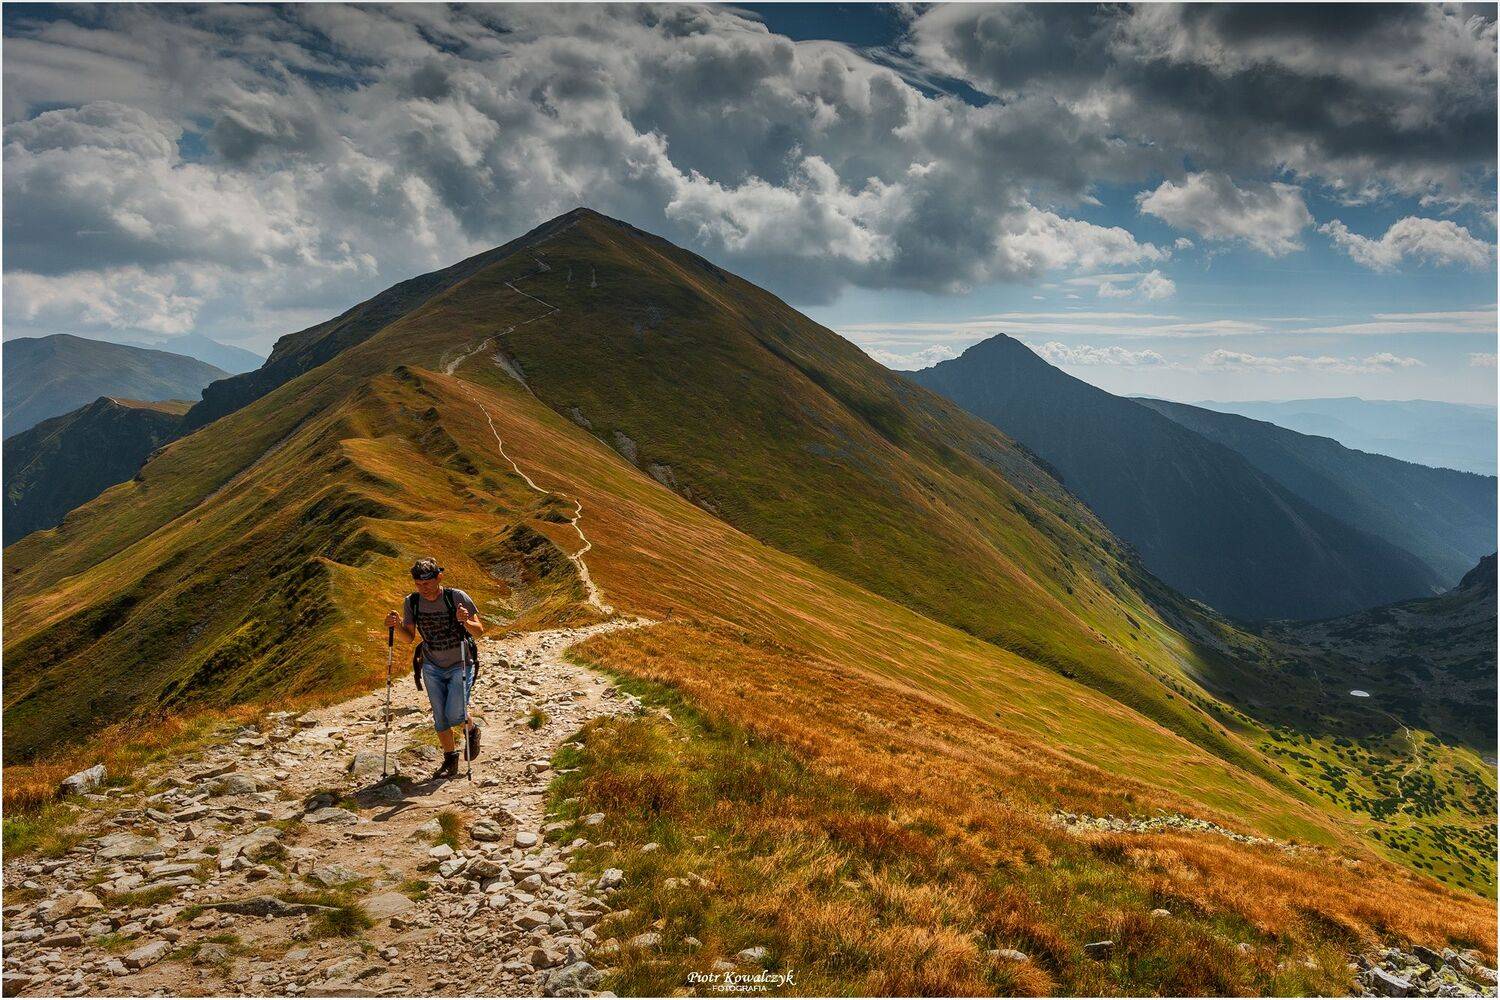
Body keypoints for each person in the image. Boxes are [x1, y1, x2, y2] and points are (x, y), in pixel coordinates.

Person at [385, 557, 485, 779]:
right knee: (440, 717)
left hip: (461, 663)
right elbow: (408, 638)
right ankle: (450, 760)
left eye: (428, 583)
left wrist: (465, 621)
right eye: (419, 585)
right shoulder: (412, 602)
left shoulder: (456, 597)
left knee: (455, 714)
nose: (424, 589)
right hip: (431, 665)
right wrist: (396, 626)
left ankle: (471, 729)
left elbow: (479, 631)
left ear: (439, 577)